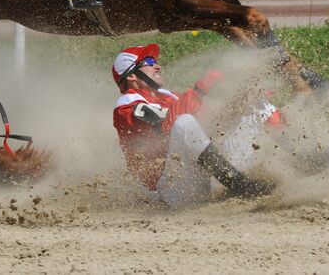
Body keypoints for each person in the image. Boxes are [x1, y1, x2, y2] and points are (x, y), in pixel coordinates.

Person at [112, 43, 275, 207]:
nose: (157, 66)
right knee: (184, 122)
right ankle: (240, 185)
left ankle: (299, 161)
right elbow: (167, 124)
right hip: (171, 192)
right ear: (131, 76)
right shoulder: (126, 106)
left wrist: (239, 101)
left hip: (201, 179)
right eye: (148, 62)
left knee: (253, 102)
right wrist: (201, 89)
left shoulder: (168, 97)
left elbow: (211, 123)